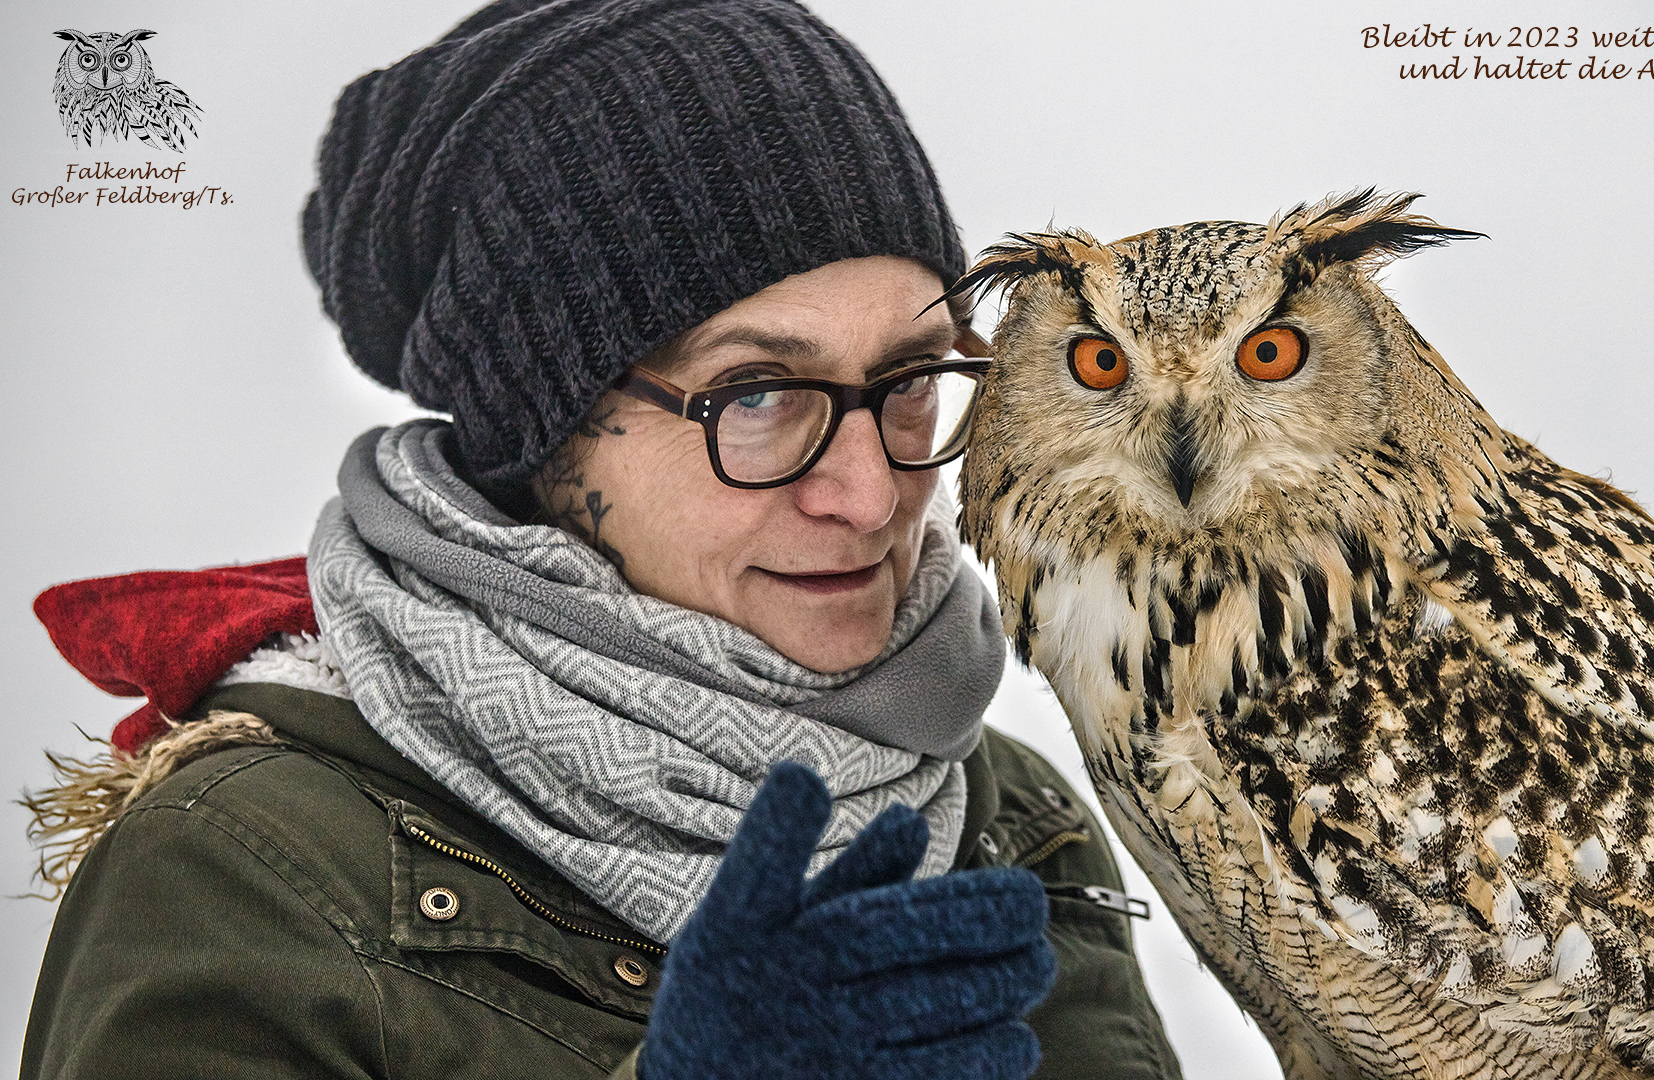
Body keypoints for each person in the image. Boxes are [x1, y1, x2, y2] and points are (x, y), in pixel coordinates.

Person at [18, 2, 1183, 1078]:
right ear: (547, 432)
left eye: (914, 378)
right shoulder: (240, 869)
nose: (872, 496)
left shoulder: (1007, 813)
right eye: (760, 395)